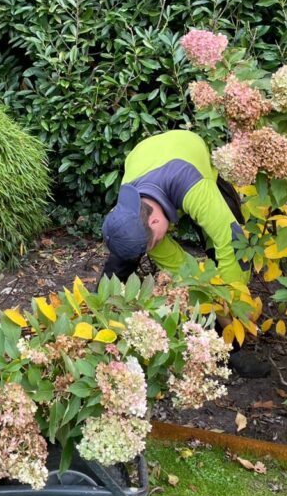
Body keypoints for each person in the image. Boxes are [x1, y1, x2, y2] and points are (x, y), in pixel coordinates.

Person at [101, 130, 269, 378]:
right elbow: (179, 266)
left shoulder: (194, 187)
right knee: (122, 257)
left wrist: (228, 303)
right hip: (143, 156)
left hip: (189, 154)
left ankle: (231, 349)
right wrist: (197, 290)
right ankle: (98, 327)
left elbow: (232, 242)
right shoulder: (128, 204)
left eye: (155, 241)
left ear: (157, 219)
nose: (155, 246)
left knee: (223, 240)